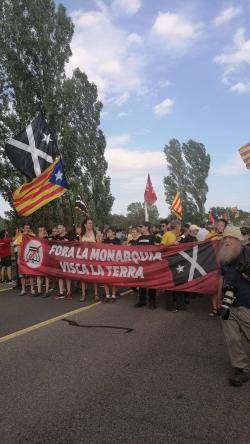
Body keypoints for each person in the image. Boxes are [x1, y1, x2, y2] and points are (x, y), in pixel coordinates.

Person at [218, 226, 250, 387]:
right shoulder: (224, 255)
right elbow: (221, 278)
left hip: (247, 304)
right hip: (228, 303)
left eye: (230, 238)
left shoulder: (248, 254)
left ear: (238, 240)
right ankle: (241, 368)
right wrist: (218, 300)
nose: (226, 241)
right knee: (232, 339)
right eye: (225, 238)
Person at [207, 218, 228, 316]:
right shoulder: (210, 235)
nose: (219, 226)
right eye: (218, 224)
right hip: (213, 265)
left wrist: (223, 239)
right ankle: (214, 307)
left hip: (226, 265)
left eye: (222, 225)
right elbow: (203, 247)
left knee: (224, 287)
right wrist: (215, 240)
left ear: (225, 227)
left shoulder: (228, 237)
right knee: (215, 287)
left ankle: (222, 306)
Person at [134, 222, 157, 309]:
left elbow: (158, 248)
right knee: (142, 283)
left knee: (151, 283)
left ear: (146, 227)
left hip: (150, 264)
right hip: (141, 264)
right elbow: (135, 249)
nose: (140, 228)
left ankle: (152, 302)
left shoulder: (152, 237)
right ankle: (142, 301)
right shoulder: (140, 238)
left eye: (141, 226)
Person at [80, 217, 101, 302]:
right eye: (89, 223)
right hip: (84, 258)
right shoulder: (81, 234)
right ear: (85, 225)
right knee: (83, 277)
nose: (91, 225)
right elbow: (80, 247)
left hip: (93, 258)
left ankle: (96, 294)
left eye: (91, 223)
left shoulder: (95, 233)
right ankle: (83, 294)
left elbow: (100, 246)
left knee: (94, 276)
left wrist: (99, 238)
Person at [13, 224, 35, 296]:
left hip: (30, 257)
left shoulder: (32, 235)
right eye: (26, 228)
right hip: (22, 258)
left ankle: (32, 289)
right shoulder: (20, 236)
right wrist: (18, 258)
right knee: (22, 274)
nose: (27, 229)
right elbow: (18, 248)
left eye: (28, 228)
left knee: (31, 274)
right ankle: (23, 289)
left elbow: (36, 242)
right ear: (23, 228)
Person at [54, 224, 72, 300]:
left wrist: (68, 243)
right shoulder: (56, 237)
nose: (58, 229)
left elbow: (75, 245)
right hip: (59, 259)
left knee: (67, 276)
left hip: (67, 259)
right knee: (60, 276)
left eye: (60, 228)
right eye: (58, 228)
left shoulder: (69, 236)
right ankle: (61, 292)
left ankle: (69, 292)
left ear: (64, 228)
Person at [103, 227, 121, 301]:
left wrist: (113, 247)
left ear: (113, 232)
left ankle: (113, 295)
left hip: (114, 262)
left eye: (110, 232)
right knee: (105, 279)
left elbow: (120, 250)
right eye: (107, 232)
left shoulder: (117, 240)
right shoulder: (105, 240)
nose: (108, 233)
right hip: (106, 262)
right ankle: (107, 295)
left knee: (113, 279)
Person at [35, 226, 50, 298]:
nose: (41, 231)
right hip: (38, 259)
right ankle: (39, 291)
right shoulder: (35, 238)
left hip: (46, 259)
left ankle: (47, 291)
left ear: (44, 231)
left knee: (46, 276)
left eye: (42, 230)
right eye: (40, 230)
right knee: (38, 275)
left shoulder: (47, 239)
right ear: (38, 231)